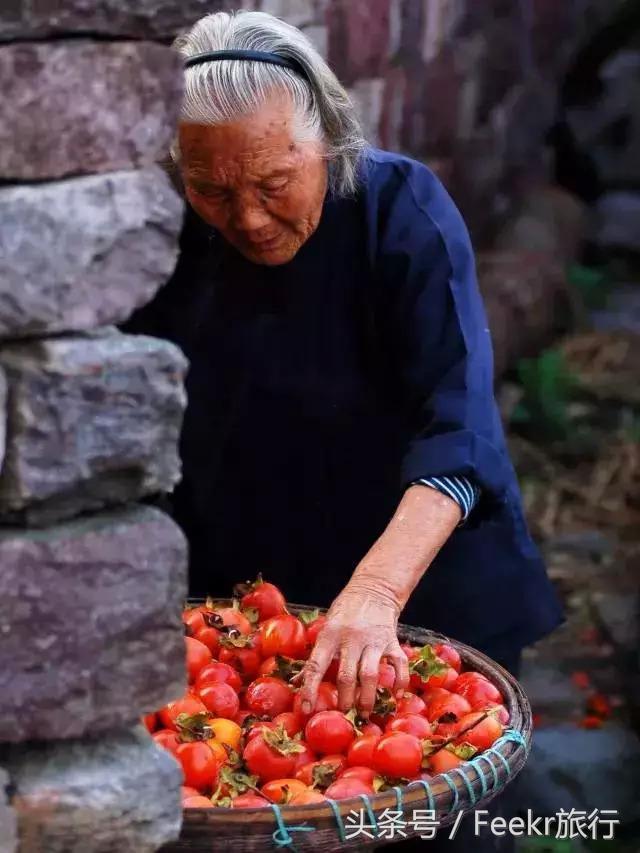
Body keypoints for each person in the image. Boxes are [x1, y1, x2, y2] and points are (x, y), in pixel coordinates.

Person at [124, 9, 563, 848]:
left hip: (416, 582)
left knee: (440, 820)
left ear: (325, 138)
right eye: (212, 189)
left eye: (274, 181)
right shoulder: (161, 232)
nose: (247, 218)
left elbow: (459, 422)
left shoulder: (403, 212)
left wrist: (378, 593)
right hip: (255, 609)